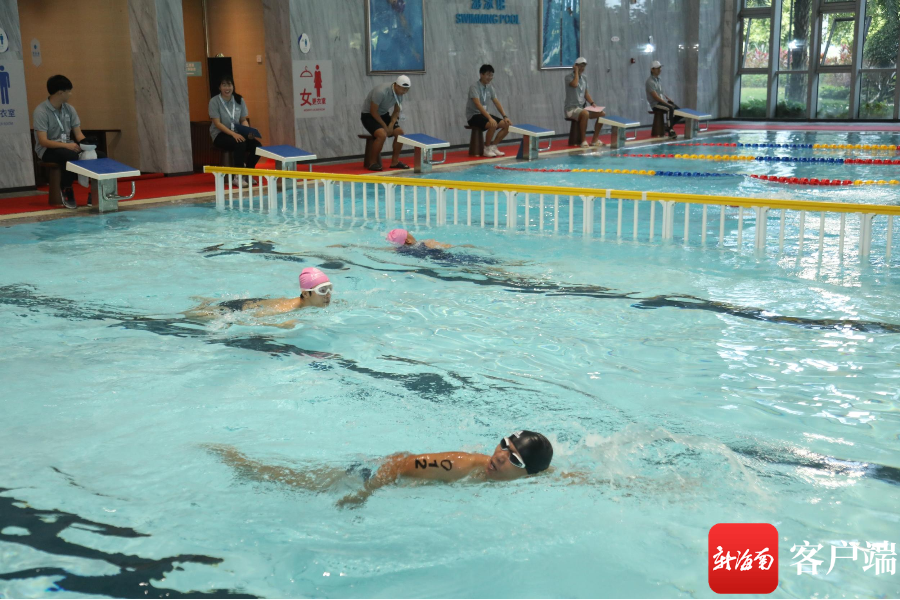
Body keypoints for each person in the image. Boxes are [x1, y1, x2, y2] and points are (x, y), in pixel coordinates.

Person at [206, 430, 554, 508]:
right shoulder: (459, 464)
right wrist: (365, 494)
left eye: (514, 458)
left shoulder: (530, 478)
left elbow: (550, 475)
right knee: (295, 483)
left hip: (382, 475)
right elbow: (399, 464)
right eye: (503, 445)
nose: (500, 456)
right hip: (367, 473)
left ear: (529, 473)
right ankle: (240, 462)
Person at [32, 75, 107, 209]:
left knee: (100, 155)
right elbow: (43, 141)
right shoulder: (41, 111)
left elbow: (78, 135)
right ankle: (66, 189)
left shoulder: (69, 109)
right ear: (60, 93)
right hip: (48, 150)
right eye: (69, 91)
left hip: (69, 146)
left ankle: (95, 193)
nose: (70, 94)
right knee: (69, 156)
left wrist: (88, 145)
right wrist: (67, 146)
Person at [183, 267, 332, 328]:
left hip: (256, 302)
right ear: (305, 293)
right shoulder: (284, 310)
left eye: (330, 289)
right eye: (322, 290)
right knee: (189, 316)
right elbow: (250, 319)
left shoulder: (306, 304)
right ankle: (204, 305)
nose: (328, 295)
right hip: (237, 309)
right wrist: (278, 325)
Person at [209, 76, 261, 184]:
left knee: (257, 146)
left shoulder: (239, 100)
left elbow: (243, 119)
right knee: (240, 143)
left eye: (229, 85)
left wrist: (247, 131)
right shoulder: (214, 101)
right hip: (220, 134)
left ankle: (248, 173)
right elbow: (217, 123)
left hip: (238, 133)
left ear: (233, 86)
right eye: (224, 85)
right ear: (219, 87)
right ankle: (238, 176)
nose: (227, 88)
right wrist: (233, 134)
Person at [361, 75, 412, 171]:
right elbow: (373, 111)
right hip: (369, 116)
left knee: (400, 134)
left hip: (383, 115)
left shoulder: (400, 94)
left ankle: (395, 162)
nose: (404, 92)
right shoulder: (381, 92)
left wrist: (391, 125)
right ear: (397, 85)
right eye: (403, 89)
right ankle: (372, 163)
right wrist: (385, 127)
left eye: (407, 90)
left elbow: (396, 111)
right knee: (382, 135)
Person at [465, 64, 511, 158]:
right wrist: (490, 118)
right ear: (481, 74)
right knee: (492, 124)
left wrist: (505, 116)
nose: (490, 77)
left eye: (491, 75)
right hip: (474, 116)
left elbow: (496, 102)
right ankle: (486, 148)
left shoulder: (490, 88)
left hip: (484, 114)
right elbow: (478, 105)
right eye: (487, 75)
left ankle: (493, 146)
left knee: (507, 125)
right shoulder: (474, 87)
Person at [564, 57, 606, 148]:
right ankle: (583, 140)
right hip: (571, 109)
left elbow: (586, 93)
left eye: (583, 66)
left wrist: (592, 103)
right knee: (585, 113)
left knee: (602, 114)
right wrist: (576, 73)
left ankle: (595, 140)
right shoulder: (568, 77)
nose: (582, 68)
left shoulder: (584, 78)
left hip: (582, 108)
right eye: (580, 66)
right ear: (575, 66)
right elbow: (575, 84)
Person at [646, 60, 683, 139]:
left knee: (679, 111)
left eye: (660, 68)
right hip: (655, 104)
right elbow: (655, 97)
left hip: (661, 102)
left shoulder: (658, 79)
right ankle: (670, 130)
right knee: (670, 108)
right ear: (652, 69)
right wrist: (667, 104)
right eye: (657, 68)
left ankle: (668, 126)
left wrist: (668, 99)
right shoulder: (649, 82)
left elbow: (660, 93)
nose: (660, 70)